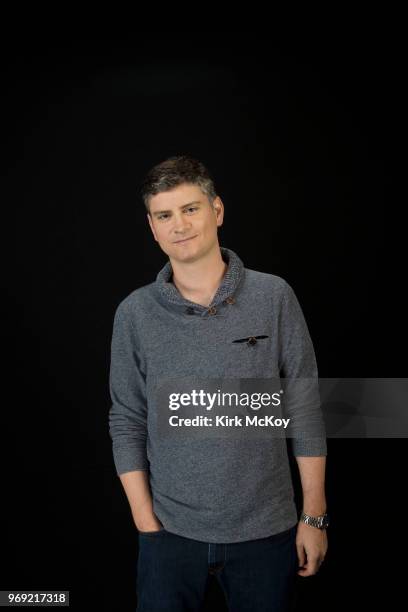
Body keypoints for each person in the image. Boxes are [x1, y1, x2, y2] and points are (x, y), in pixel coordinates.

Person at [108, 155, 329, 611]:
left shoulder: (274, 296)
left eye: (191, 208)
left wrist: (315, 516)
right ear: (152, 227)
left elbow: (305, 406)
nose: (180, 225)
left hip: (267, 534)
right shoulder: (135, 313)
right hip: (169, 536)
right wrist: (145, 521)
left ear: (218, 211)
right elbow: (127, 417)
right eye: (165, 215)